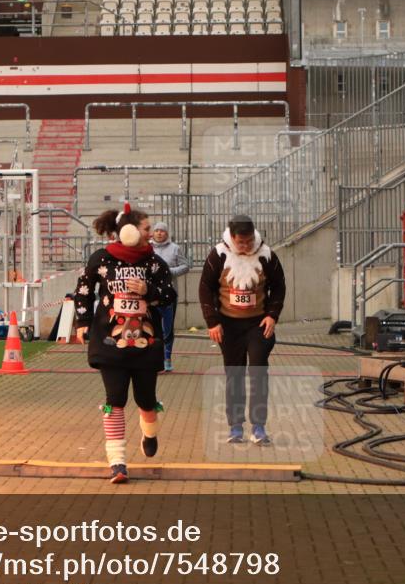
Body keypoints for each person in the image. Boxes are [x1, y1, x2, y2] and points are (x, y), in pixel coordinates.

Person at [73, 204, 176, 484]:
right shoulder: (101, 258)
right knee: (115, 399)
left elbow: (169, 295)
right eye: (146, 229)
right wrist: (81, 323)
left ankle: (150, 433)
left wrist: (149, 291)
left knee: (145, 400)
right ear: (128, 231)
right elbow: (82, 291)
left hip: (145, 343)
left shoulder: (154, 263)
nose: (151, 233)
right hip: (110, 342)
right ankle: (117, 461)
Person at [199, 215, 286, 446]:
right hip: (228, 325)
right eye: (241, 243)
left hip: (258, 324)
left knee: (258, 372)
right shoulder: (218, 255)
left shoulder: (267, 255)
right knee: (234, 374)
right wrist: (212, 321)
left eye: (248, 242)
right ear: (232, 237)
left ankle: (258, 427)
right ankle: (236, 426)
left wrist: (272, 316)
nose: (245, 247)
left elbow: (279, 287)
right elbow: (205, 288)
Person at [150, 221, 190, 372]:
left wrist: (169, 272)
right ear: (153, 233)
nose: (159, 233)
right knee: (152, 328)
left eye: (162, 231)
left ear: (167, 234)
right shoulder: (147, 248)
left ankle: (167, 358)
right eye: (157, 230)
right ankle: (154, 359)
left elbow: (186, 266)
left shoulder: (175, 248)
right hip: (151, 295)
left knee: (167, 329)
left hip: (169, 295)